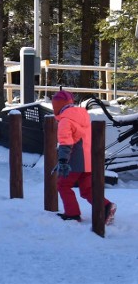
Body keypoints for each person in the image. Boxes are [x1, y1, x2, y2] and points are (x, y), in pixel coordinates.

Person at [51, 90, 116, 224]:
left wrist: (63, 161)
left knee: (63, 185)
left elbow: (66, 142)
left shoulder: (65, 120)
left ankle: (72, 214)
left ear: (57, 105)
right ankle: (105, 206)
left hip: (75, 161)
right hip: (89, 161)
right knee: (87, 189)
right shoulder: (83, 115)